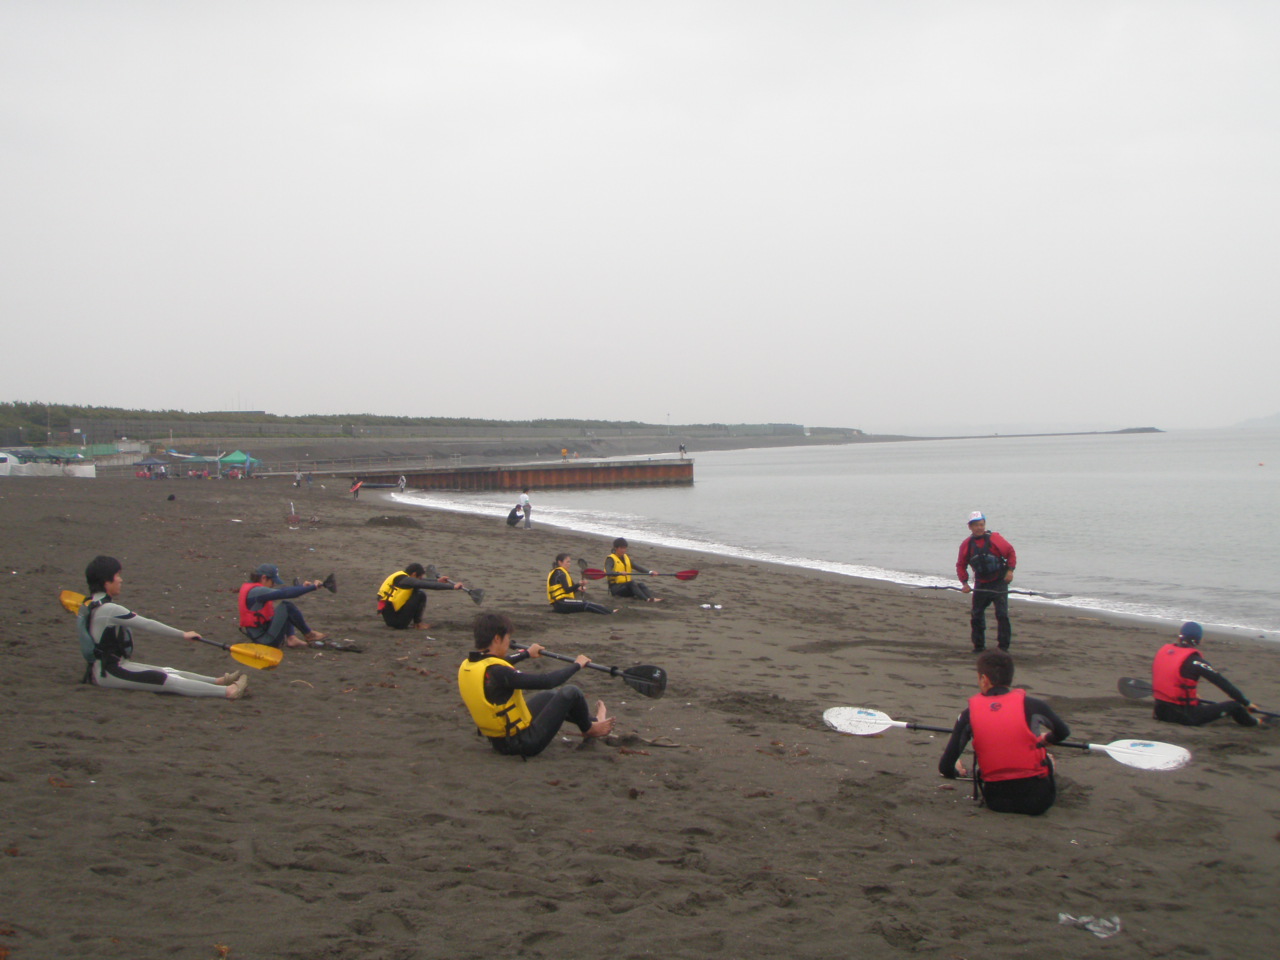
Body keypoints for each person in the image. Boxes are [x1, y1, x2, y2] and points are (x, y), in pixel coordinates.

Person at [78, 555, 247, 699]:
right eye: (117, 575)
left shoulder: (91, 604)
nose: (121, 579)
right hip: (109, 673)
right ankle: (228, 691)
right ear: (106, 582)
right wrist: (183, 634)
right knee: (166, 679)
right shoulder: (109, 609)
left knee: (168, 670)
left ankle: (217, 681)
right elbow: (148, 624)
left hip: (110, 667)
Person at [458, 612, 615, 757]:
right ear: (497, 639)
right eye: (507, 638)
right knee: (571, 692)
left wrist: (527, 653)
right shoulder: (499, 673)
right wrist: (577, 665)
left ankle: (592, 722)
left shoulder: (470, 665)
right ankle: (590, 729)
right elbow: (547, 681)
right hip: (522, 744)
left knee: (551, 696)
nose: (509, 642)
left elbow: (497, 663)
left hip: (500, 740)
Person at [939, 650, 1069, 815]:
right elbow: (1063, 732)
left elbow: (945, 767)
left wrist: (958, 772)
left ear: (984, 679)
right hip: (1038, 801)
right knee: (1047, 757)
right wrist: (1046, 739)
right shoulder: (1033, 705)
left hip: (997, 801)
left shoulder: (968, 714)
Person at [1151, 621, 1262, 727]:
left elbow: (1170, 679)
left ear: (1180, 636)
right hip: (1185, 716)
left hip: (1160, 712)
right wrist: (1246, 703)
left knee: (1199, 703)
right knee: (1235, 706)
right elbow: (1222, 683)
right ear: (1199, 640)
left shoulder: (1164, 652)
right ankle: (1256, 722)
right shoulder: (1196, 661)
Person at [956, 511, 1017, 652]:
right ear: (970, 527)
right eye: (976, 525)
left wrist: (1010, 571)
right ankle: (978, 646)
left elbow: (1011, 553)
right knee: (976, 614)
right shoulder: (966, 545)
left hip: (999, 582)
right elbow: (961, 564)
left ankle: (1003, 647)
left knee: (1002, 614)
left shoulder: (995, 539)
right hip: (981, 584)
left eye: (981, 524)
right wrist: (964, 583)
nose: (979, 528)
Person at [238, 564, 328, 648]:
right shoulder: (257, 591)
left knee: (284, 608)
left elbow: (283, 591)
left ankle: (292, 639)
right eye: (272, 581)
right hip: (265, 641)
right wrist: (312, 587)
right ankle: (309, 634)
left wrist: (301, 587)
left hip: (260, 634)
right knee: (286, 606)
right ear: (264, 578)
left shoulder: (253, 589)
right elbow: (284, 593)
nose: (273, 585)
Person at [377, 563, 466, 630]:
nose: (421, 578)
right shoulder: (407, 581)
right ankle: (418, 624)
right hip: (398, 623)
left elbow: (421, 581)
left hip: (391, 619)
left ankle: (416, 624)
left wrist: (437, 580)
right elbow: (424, 584)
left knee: (416, 591)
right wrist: (452, 587)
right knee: (420, 594)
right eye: (420, 576)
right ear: (414, 574)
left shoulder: (400, 576)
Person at [547, 554, 615, 615]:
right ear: (560, 562)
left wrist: (578, 588)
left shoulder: (561, 573)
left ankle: (609, 610)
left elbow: (571, 589)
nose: (569, 564)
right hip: (561, 603)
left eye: (570, 562)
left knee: (586, 602)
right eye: (567, 562)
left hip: (561, 603)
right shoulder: (560, 573)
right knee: (586, 604)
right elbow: (567, 590)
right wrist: (579, 584)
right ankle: (610, 613)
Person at [605, 537, 662, 602]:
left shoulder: (626, 557)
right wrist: (619, 573)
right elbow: (608, 571)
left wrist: (650, 572)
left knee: (641, 585)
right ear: (615, 548)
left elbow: (637, 567)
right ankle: (646, 599)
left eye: (624, 548)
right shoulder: (610, 559)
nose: (623, 550)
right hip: (616, 589)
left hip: (626, 587)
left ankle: (651, 598)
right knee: (631, 583)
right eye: (621, 548)